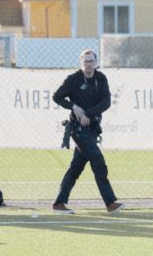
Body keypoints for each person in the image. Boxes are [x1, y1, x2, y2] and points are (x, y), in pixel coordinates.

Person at [51, 49, 124, 214]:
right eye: (85, 61)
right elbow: (57, 97)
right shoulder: (73, 79)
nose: (88, 64)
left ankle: (59, 203)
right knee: (98, 160)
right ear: (81, 63)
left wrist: (89, 114)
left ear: (96, 62)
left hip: (92, 129)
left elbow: (106, 102)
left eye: (91, 61)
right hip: (78, 130)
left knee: (75, 168)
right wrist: (74, 107)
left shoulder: (101, 78)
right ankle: (110, 202)